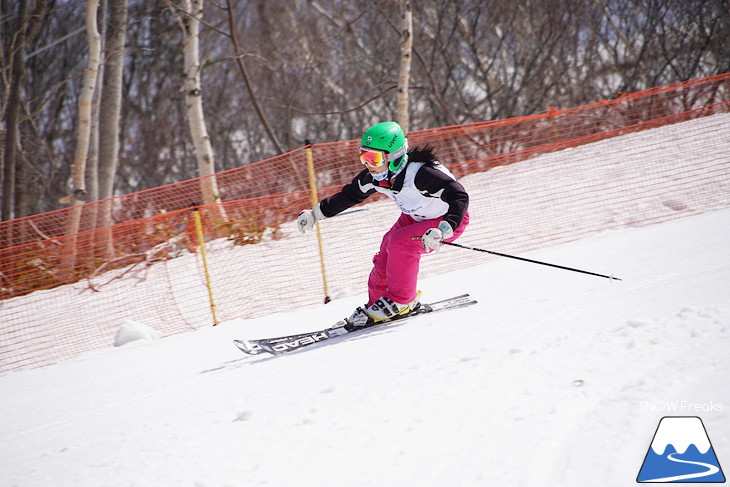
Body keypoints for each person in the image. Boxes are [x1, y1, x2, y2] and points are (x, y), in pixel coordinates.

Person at [297, 121, 470, 327]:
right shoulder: (376, 177)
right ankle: (378, 304)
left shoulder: (421, 174)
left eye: (374, 158)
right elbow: (350, 195)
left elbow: (459, 196)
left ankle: (402, 301)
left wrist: (445, 228)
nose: (368, 164)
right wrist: (315, 214)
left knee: (399, 243)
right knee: (387, 246)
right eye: (364, 156)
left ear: (394, 157)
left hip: (447, 220)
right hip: (415, 217)